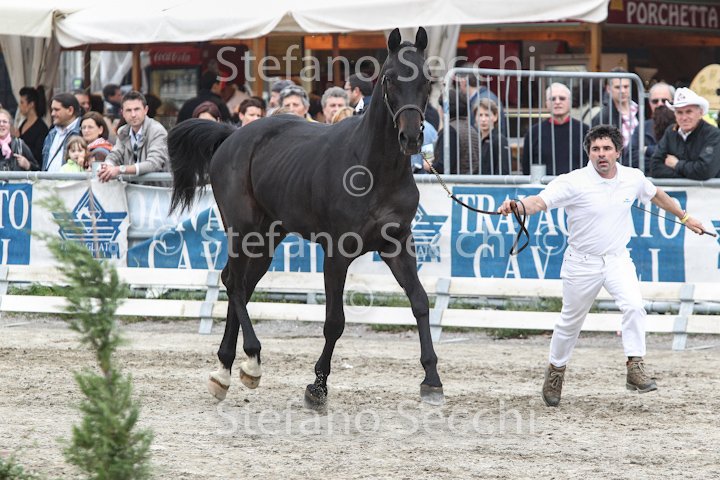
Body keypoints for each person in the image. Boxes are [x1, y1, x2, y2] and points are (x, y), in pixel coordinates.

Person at [497, 124, 707, 407]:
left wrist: (685, 218)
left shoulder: (632, 177)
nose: (601, 154)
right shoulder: (572, 181)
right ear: (589, 153)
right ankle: (556, 370)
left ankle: (635, 365)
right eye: (595, 149)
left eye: (607, 148)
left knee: (634, 306)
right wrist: (518, 205)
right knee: (570, 322)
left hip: (617, 258)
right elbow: (539, 202)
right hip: (581, 262)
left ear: (618, 152)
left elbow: (657, 194)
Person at [98, 91, 168, 182]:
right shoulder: (123, 131)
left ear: (145, 110)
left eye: (137, 109)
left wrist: (120, 169)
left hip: (155, 189)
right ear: (123, 113)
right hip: (132, 188)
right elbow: (115, 155)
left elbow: (154, 164)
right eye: (129, 110)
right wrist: (107, 165)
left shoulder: (157, 131)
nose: (133, 115)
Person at [651, 87, 720, 180]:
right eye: (679, 112)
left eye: (689, 112)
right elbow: (655, 167)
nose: (684, 117)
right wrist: (689, 175)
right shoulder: (670, 132)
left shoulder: (713, 134)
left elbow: (705, 171)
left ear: (700, 113)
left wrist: (677, 164)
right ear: (675, 115)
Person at [522, 83, 589, 175]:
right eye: (552, 99)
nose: (557, 102)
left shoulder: (585, 131)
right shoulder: (534, 132)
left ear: (570, 102)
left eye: (562, 98)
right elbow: (526, 166)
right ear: (546, 103)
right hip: (545, 184)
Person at [426, 89, 479, 175]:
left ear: (444, 110)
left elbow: (443, 166)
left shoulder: (449, 132)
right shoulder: (472, 129)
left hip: (455, 182)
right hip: (472, 180)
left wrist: (428, 166)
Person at [628, 82, 675, 172]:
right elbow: (631, 158)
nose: (660, 104)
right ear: (650, 103)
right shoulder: (642, 128)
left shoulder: (681, 125)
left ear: (673, 101)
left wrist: (648, 149)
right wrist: (664, 163)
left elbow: (682, 157)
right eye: (655, 101)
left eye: (664, 100)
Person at [591, 68, 639, 149]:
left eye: (626, 86)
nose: (622, 91)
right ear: (608, 89)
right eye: (617, 87)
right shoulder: (603, 116)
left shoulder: (640, 110)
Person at [42, 93, 82, 172]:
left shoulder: (83, 131)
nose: (52, 114)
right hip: (48, 179)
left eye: (56, 110)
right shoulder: (51, 134)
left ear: (70, 110)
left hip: (72, 180)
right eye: (52, 110)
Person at [475, 98, 511, 175]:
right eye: (480, 115)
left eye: (487, 115)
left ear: (495, 117)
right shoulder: (475, 140)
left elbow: (503, 170)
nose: (483, 119)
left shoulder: (500, 140)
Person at [17, 86, 49, 164]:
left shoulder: (41, 128)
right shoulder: (23, 123)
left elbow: (39, 153)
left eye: (22, 102)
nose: (19, 106)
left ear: (31, 104)